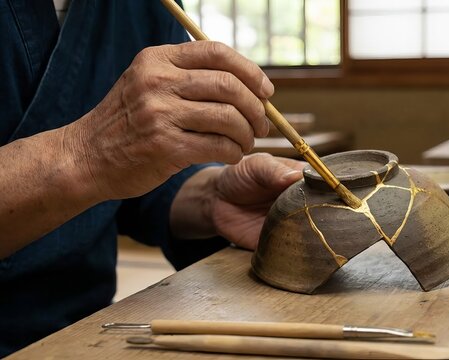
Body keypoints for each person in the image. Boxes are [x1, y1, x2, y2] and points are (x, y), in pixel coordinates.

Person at [0, 1, 304, 356]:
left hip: (87, 333)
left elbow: (133, 193)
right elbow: (106, 160)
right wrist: (86, 153)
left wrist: (213, 197)